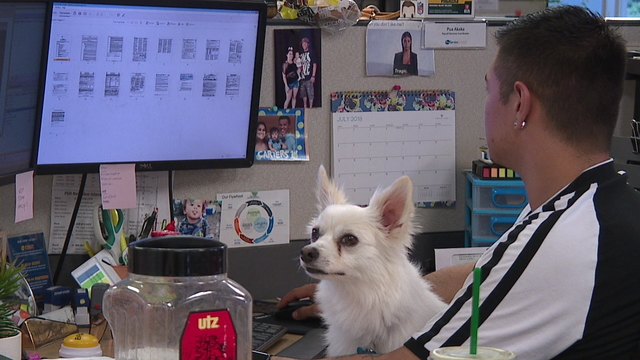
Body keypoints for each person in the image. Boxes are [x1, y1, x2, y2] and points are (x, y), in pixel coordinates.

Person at [274, 6, 640, 360]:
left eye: (487, 90)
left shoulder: (563, 240)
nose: (483, 106)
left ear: (520, 106)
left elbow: (408, 359)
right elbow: (492, 274)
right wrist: (371, 292)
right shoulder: (590, 206)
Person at [299, 37, 317, 108]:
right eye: (303, 43)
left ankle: (311, 107)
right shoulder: (301, 54)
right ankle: (305, 106)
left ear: (308, 44)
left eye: (305, 43)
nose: (303, 44)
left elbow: (314, 64)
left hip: (309, 77)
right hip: (302, 77)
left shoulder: (311, 53)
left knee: (310, 94)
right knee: (303, 94)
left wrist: (313, 76)